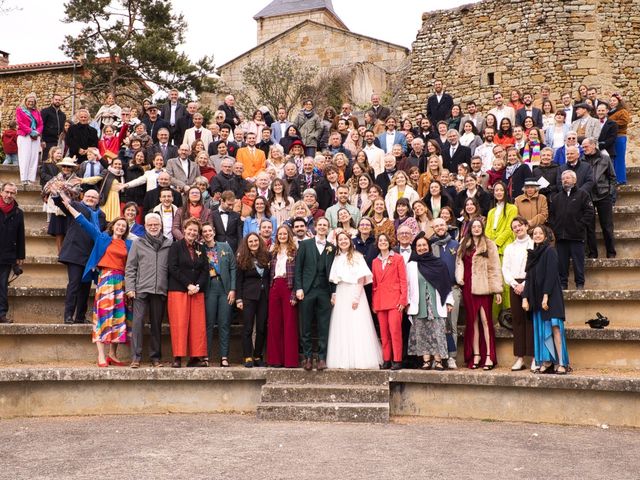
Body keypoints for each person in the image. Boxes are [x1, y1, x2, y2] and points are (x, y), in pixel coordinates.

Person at [58, 189, 132, 367]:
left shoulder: (129, 244)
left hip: (121, 282)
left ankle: (112, 354)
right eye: (118, 225)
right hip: (106, 279)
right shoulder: (101, 237)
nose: (121, 228)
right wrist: (68, 205)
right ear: (112, 226)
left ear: (126, 229)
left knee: (119, 318)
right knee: (103, 316)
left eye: (124, 226)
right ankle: (100, 355)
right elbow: (83, 221)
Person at [326, 231, 382, 369]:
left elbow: (361, 278)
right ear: (337, 243)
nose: (343, 242)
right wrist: (334, 294)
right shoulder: (337, 257)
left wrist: (356, 297)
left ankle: (360, 359)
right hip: (341, 291)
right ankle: (343, 359)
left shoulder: (357, 256)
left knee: (357, 324)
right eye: (340, 240)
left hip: (354, 292)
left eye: (345, 239)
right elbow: (335, 277)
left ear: (350, 241)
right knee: (342, 324)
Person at [125, 212, 172, 368]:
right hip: (141, 289)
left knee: (156, 325)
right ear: (145, 226)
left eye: (156, 225)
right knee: (137, 323)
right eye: (150, 225)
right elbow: (131, 267)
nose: (153, 227)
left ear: (160, 226)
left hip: (160, 290)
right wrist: (130, 288)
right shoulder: (138, 243)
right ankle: (136, 357)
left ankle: (155, 358)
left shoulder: (169, 243)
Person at [455, 218, 503, 370]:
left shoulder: (489, 244)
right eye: (473, 226)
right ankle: (476, 355)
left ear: (482, 228)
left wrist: (497, 290)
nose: (476, 229)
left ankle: (489, 355)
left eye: (478, 226)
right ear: (469, 228)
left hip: (484, 287)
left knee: (485, 320)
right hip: (468, 287)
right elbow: (459, 263)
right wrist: (460, 278)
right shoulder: (464, 243)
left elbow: (494, 268)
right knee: (472, 320)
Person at [523, 225, 570, 375]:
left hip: (551, 295)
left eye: (540, 233)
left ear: (545, 235)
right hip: (536, 297)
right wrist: (525, 297)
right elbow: (529, 278)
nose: (537, 235)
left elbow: (551, 274)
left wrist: (545, 297)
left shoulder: (550, 250)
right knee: (541, 330)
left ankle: (562, 363)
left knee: (555, 328)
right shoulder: (532, 254)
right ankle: (547, 361)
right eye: (534, 233)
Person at [407, 232, 454, 371]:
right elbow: (408, 285)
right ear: (416, 248)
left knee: (437, 331)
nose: (421, 248)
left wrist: (449, 301)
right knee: (421, 332)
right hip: (419, 303)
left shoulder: (439, 263)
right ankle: (426, 360)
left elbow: (446, 283)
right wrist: (408, 302)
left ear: (429, 247)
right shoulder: (411, 265)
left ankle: (438, 360)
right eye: (419, 245)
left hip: (435, 303)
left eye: (424, 245)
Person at [295, 217, 335, 370]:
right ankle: (307, 357)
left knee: (323, 325)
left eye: (325, 225)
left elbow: (334, 271)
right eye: (320, 225)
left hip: (325, 290)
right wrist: (299, 288)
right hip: (307, 290)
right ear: (315, 227)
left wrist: (333, 292)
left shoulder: (332, 247)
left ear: (328, 228)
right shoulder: (305, 245)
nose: (322, 227)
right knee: (305, 325)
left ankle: (322, 357)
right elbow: (298, 268)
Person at [167, 218, 209, 368]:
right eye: (190, 230)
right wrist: (188, 285)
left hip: (197, 291)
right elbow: (173, 268)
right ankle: (178, 356)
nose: (192, 233)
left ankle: (195, 357)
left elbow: (205, 269)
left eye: (195, 231)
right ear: (184, 230)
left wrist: (197, 285)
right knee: (180, 323)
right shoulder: (176, 246)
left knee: (197, 325)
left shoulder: (201, 248)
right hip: (179, 290)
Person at [549, 170, 594, 290]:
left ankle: (580, 284)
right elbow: (551, 215)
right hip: (561, 237)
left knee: (578, 262)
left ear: (574, 180)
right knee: (562, 263)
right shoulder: (557, 197)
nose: (565, 180)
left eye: (568, 178)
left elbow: (589, 213)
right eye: (563, 178)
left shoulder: (583, 195)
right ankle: (563, 284)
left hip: (576, 236)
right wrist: (555, 228)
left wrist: (580, 225)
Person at [501, 216, 536, 372]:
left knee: (530, 320)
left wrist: (524, 285)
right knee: (518, 321)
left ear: (526, 226)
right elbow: (505, 269)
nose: (517, 228)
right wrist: (515, 284)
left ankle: (535, 357)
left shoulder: (534, 244)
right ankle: (520, 357)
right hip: (514, 286)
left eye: (520, 225)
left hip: (529, 284)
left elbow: (535, 267)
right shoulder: (510, 248)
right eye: (514, 227)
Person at [201, 223, 236, 368]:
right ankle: (205, 356)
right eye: (205, 232)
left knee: (224, 323)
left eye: (210, 231)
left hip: (225, 288)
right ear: (202, 234)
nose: (208, 233)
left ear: (214, 232)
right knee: (208, 324)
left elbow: (233, 268)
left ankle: (224, 356)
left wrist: (233, 289)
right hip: (209, 288)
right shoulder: (200, 249)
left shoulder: (225, 247)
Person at [371, 233, 407, 370]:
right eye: (380, 240)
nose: (382, 242)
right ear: (377, 244)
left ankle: (397, 360)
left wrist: (403, 300)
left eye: (385, 240)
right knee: (384, 333)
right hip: (380, 301)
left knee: (395, 331)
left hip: (395, 301)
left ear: (389, 242)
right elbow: (374, 284)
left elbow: (403, 280)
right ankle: (386, 359)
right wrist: (374, 303)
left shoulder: (398, 258)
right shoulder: (375, 261)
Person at [429, 218, 461, 368]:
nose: (440, 228)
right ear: (433, 228)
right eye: (436, 226)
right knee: (439, 324)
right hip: (437, 289)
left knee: (452, 324)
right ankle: (440, 356)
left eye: (442, 225)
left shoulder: (455, 244)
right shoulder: (432, 245)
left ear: (446, 226)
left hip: (453, 288)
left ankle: (451, 357)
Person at [236, 232, 271, 368]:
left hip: (264, 296)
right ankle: (247, 356)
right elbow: (239, 281)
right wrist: (239, 299)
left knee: (262, 327)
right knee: (248, 328)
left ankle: (257, 356)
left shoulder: (267, 256)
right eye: (250, 241)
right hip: (248, 297)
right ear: (246, 243)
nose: (253, 243)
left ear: (259, 241)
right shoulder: (242, 258)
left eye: (255, 241)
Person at [266, 225, 299, 368]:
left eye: (285, 234)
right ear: (277, 236)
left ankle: (290, 360)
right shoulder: (273, 252)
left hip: (288, 286)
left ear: (289, 235)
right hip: (275, 286)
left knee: (290, 323)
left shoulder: (295, 251)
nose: (282, 236)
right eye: (280, 234)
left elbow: (298, 273)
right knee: (274, 323)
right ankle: (275, 359)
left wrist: (294, 294)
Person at [581, 137, 616, 259]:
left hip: (603, 195)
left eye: (586, 147)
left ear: (593, 145)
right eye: (583, 147)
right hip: (588, 196)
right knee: (589, 227)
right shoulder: (582, 161)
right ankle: (592, 253)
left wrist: (610, 193)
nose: (584, 149)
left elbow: (612, 177)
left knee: (607, 226)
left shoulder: (605, 158)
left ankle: (611, 252)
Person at [0, 182, 25, 324]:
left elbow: (20, 235)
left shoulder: (18, 213)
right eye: (7, 192)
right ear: (1, 192)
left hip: (7, 255)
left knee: (2, 285)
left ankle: (2, 314)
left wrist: (20, 255)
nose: (9, 195)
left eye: (12, 193)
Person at [16, 93, 44, 185]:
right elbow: (20, 123)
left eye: (33, 101)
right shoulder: (20, 110)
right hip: (25, 136)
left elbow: (40, 124)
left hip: (35, 136)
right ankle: (24, 178)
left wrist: (37, 132)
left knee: (33, 157)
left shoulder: (37, 112)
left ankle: (31, 179)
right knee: (25, 156)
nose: (31, 103)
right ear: (26, 101)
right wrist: (30, 131)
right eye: (29, 101)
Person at [608, 93, 631, 184]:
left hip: (620, 137)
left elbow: (624, 121)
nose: (612, 102)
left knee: (619, 158)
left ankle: (621, 179)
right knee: (613, 158)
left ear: (618, 102)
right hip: (613, 138)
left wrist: (610, 122)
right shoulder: (611, 112)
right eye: (610, 101)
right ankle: (614, 178)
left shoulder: (622, 111)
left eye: (614, 101)